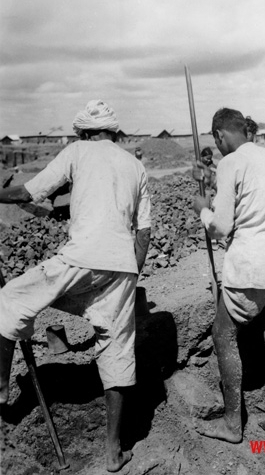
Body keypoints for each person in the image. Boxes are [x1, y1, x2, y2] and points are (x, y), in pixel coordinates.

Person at [0, 100, 152, 473]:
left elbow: (28, 193)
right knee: (116, 349)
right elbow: (144, 232)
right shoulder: (135, 165)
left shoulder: (77, 150)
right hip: (121, 266)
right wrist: (130, 276)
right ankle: (113, 452)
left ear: (84, 132)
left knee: (10, 299)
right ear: (114, 133)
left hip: (80, 257)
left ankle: (1, 389)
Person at [192, 108, 265, 443]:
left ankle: (233, 424)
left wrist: (202, 211)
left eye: (216, 141)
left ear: (220, 135)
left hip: (250, 266)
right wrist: (208, 178)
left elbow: (221, 227)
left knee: (223, 334)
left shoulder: (230, 161)